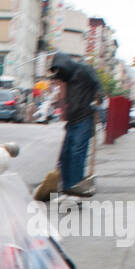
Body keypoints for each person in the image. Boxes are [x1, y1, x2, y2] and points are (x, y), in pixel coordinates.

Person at [48, 52, 101, 197]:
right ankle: (66, 187)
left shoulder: (84, 70)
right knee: (65, 154)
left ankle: (75, 186)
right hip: (72, 120)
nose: (59, 80)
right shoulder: (67, 77)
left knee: (77, 152)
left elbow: (97, 84)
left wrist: (98, 99)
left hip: (84, 118)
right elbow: (65, 98)